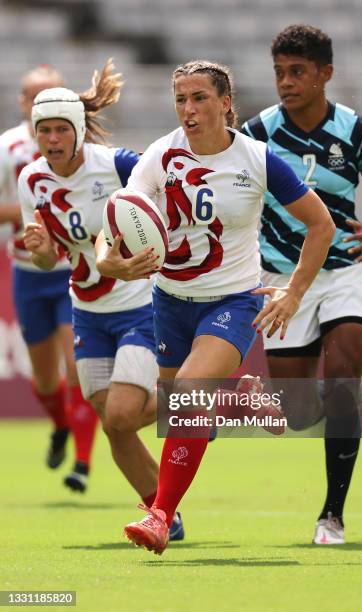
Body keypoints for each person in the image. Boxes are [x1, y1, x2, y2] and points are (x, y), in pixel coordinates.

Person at [96, 59, 335, 555]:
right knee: (179, 409)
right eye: (181, 99)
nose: (189, 109)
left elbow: (321, 224)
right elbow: (116, 219)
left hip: (232, 301)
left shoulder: (258, 159)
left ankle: (160, 515)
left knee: (185, 400)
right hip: (169, 301)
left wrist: (293, 292)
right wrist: (109, 262)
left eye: (200, 98)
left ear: (226, 103)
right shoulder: (160, 156)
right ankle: (238, 400)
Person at [241, 24, 362, 544]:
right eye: (280, 73)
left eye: (297, 72)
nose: (286, 83)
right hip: (282, 277)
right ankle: (321, 400)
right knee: (299, 410)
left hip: (344, 271)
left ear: (324, 74)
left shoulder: (360, 132)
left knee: (340, 381)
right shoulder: (256, 134)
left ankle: (331, 515)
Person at [19, 59, 184, 540]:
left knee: (119, 415)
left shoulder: (116, 164)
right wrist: (42, 252)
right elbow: (54, 257)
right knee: (114, 425)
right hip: (87, 311)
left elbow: (164, 199)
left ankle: (207, 403)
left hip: (137, 305)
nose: (52, 139)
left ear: (77, 130)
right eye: (43, 130)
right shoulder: (32, 179)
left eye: (60, 130)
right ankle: (163, 516)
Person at [0, 64, 98, 492]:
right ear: (24, 103)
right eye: (36, 97)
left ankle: (82, 461)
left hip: (70, 270)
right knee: (44, 379)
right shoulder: (8, 148)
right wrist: (32, 212)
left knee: (78, 367)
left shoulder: (83, 147)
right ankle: (60, 426)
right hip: (27, 270)